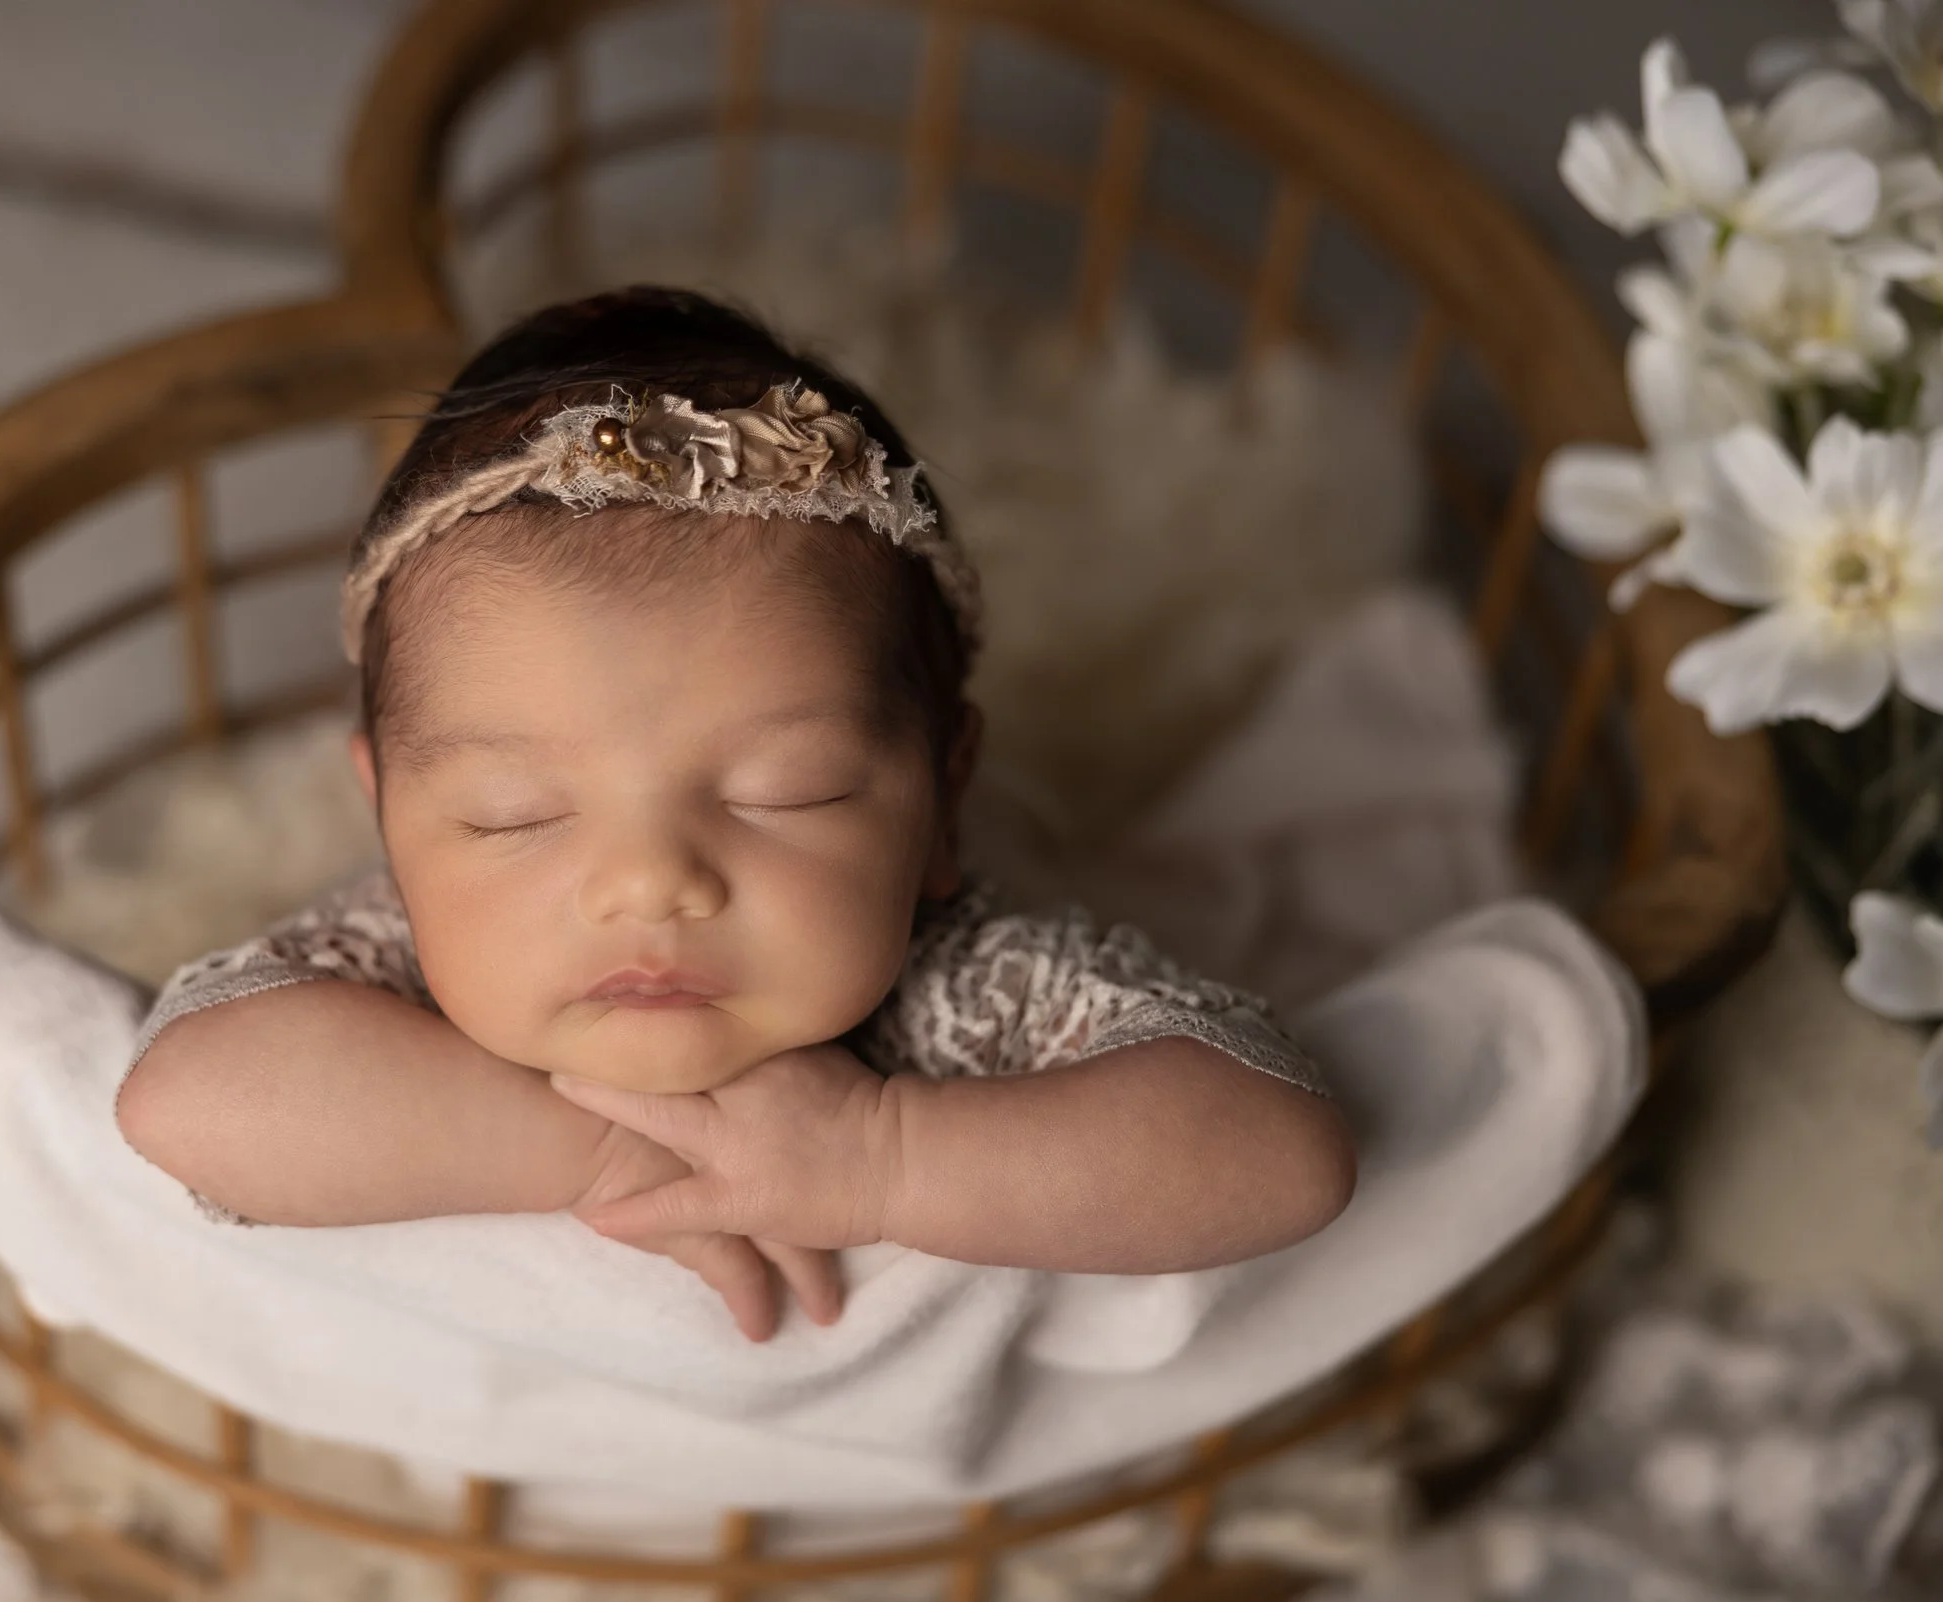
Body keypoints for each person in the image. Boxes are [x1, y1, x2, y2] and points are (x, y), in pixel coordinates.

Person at [114, 286, 1354, 1344]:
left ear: (941, 804)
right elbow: (185, 1100)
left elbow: (1279, 1152)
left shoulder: (961, 983)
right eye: (511, 814)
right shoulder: (396, 963)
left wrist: (883, 1157)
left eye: (786, 792)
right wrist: (605, 1152)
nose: (649, 881)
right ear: (388, 818)